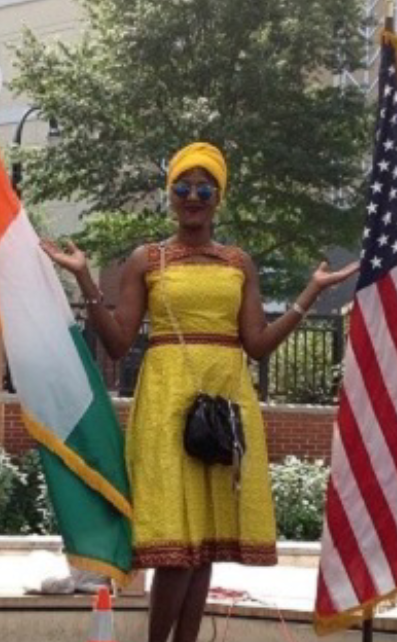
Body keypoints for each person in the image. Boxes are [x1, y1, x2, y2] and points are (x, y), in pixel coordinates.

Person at [41, 142, 357, 642]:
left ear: (218, 199)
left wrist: (310, 292)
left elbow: (257, 345)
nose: (193, 197)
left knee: (204, 545)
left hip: (224, 403)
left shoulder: (238, 262)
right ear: (170, 195)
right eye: (182, 188)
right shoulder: (147, 259)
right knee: (175, 545)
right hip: (167, 402)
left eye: (204, 189)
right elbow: (119, 342)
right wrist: (83, 277)